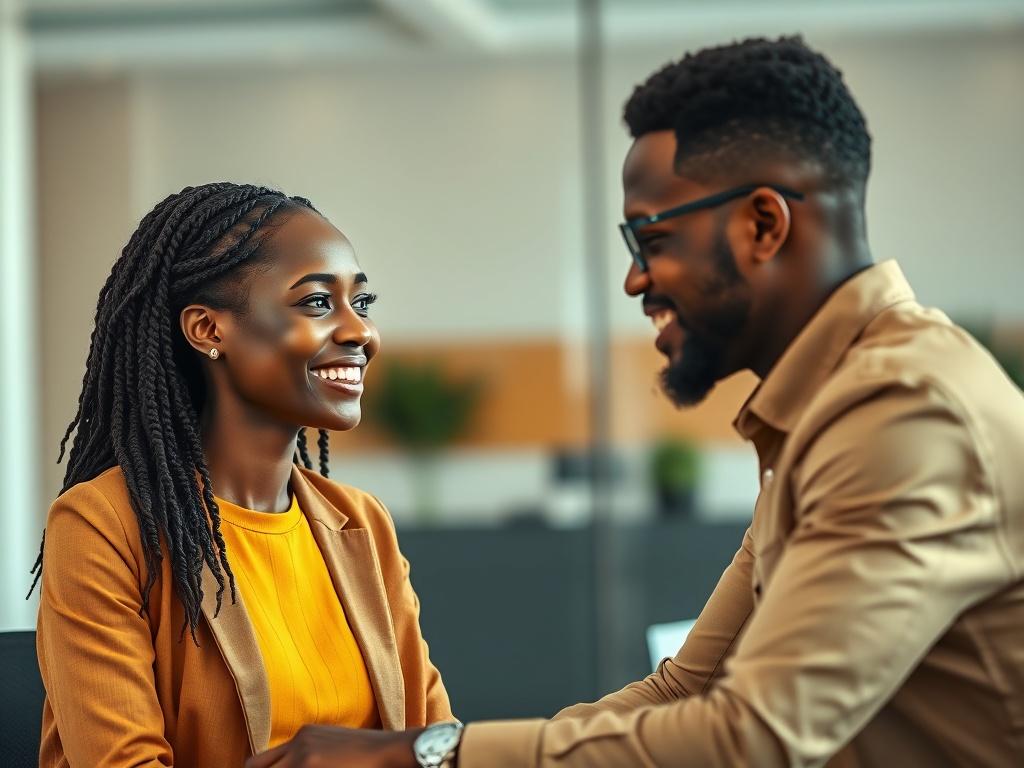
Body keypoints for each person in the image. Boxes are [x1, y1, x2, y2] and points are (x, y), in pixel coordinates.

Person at [247, 36, 1024, 768]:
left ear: (763, 223)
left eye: (650, 241)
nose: (634, 281)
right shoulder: (826, 417)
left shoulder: (901, 410)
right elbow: (684, 688)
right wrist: (436, 750)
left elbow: (751, 738)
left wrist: (419, 756)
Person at [33, 183, 454, 767]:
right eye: (314, 303)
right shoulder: (103, 525)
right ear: (208, 330)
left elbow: (436, 745)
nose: (360, 332)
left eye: (361, 302)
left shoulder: (360, 523)